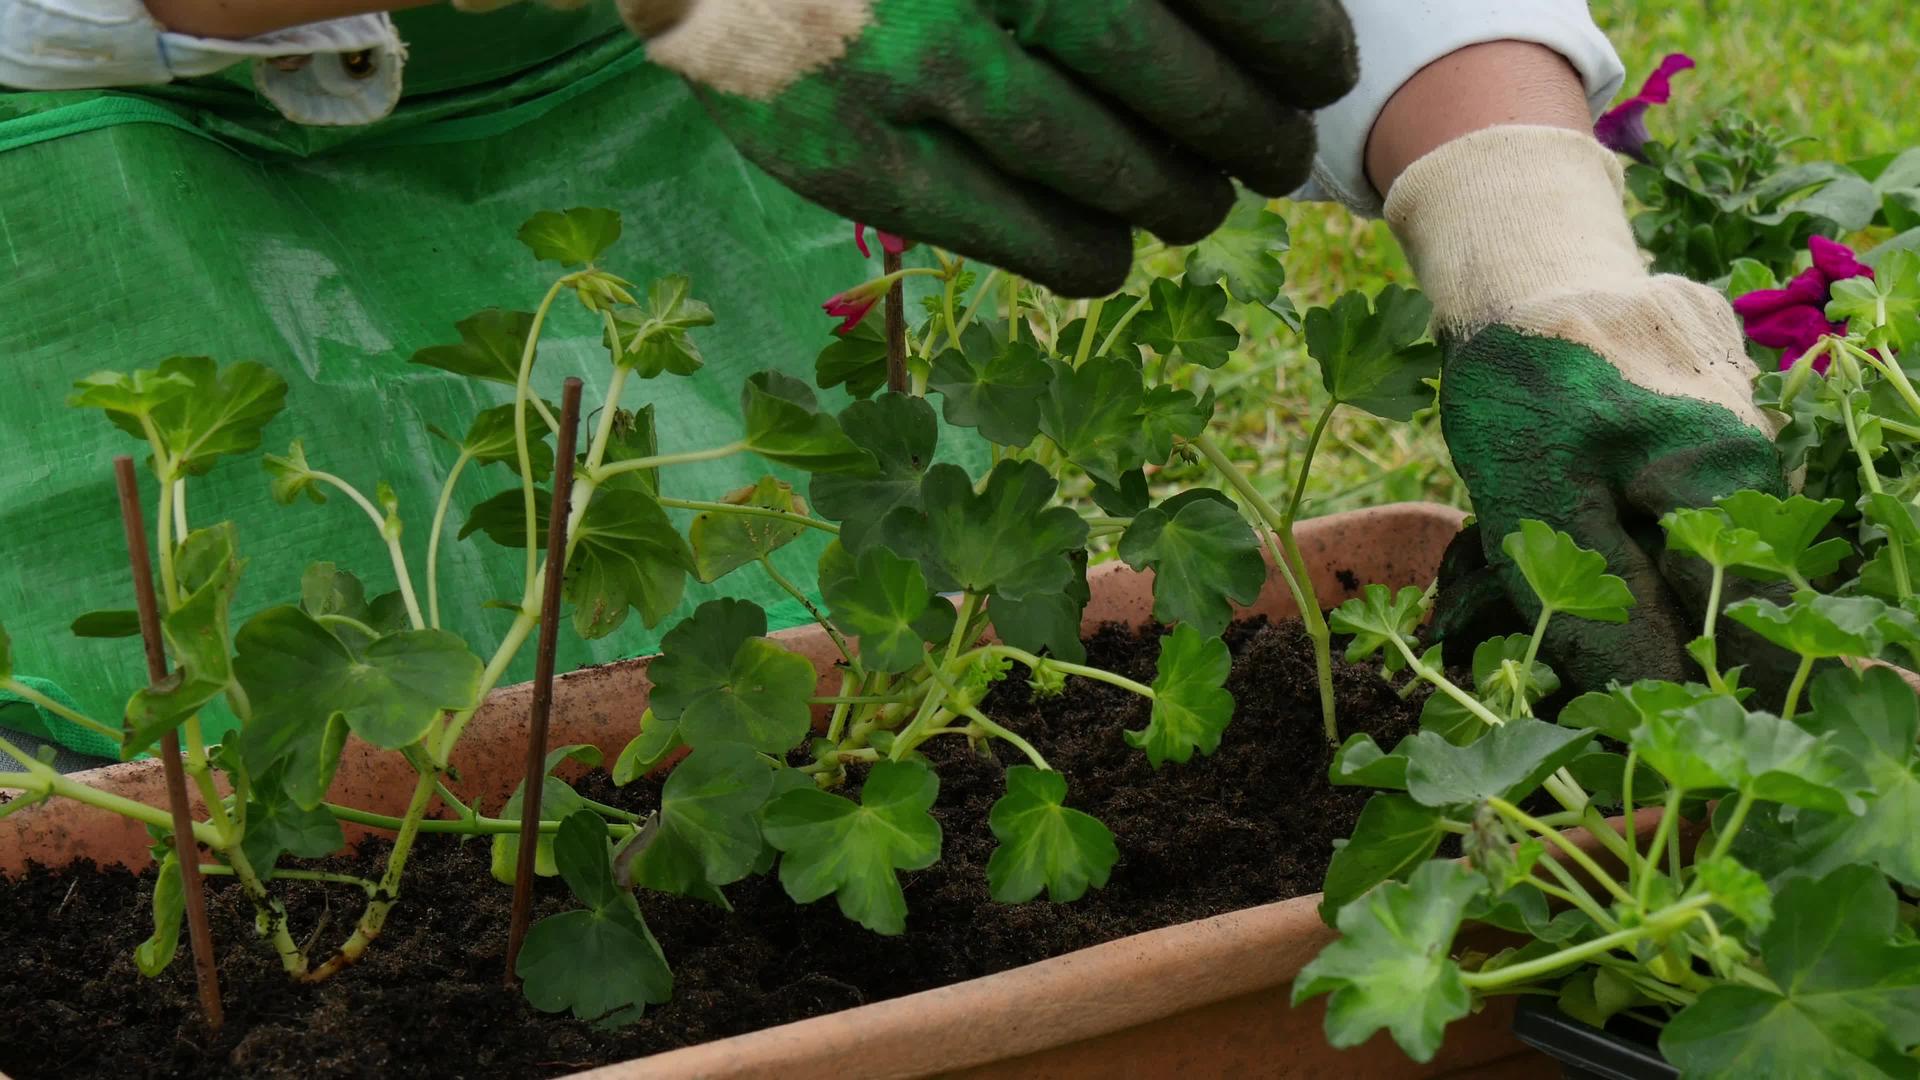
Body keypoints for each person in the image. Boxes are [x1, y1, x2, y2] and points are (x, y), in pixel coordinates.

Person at [0, 1, 1787, 761]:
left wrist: (1534, 244)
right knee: (221, 781)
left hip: (642, 116)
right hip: (93, 158)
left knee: (781, 698)